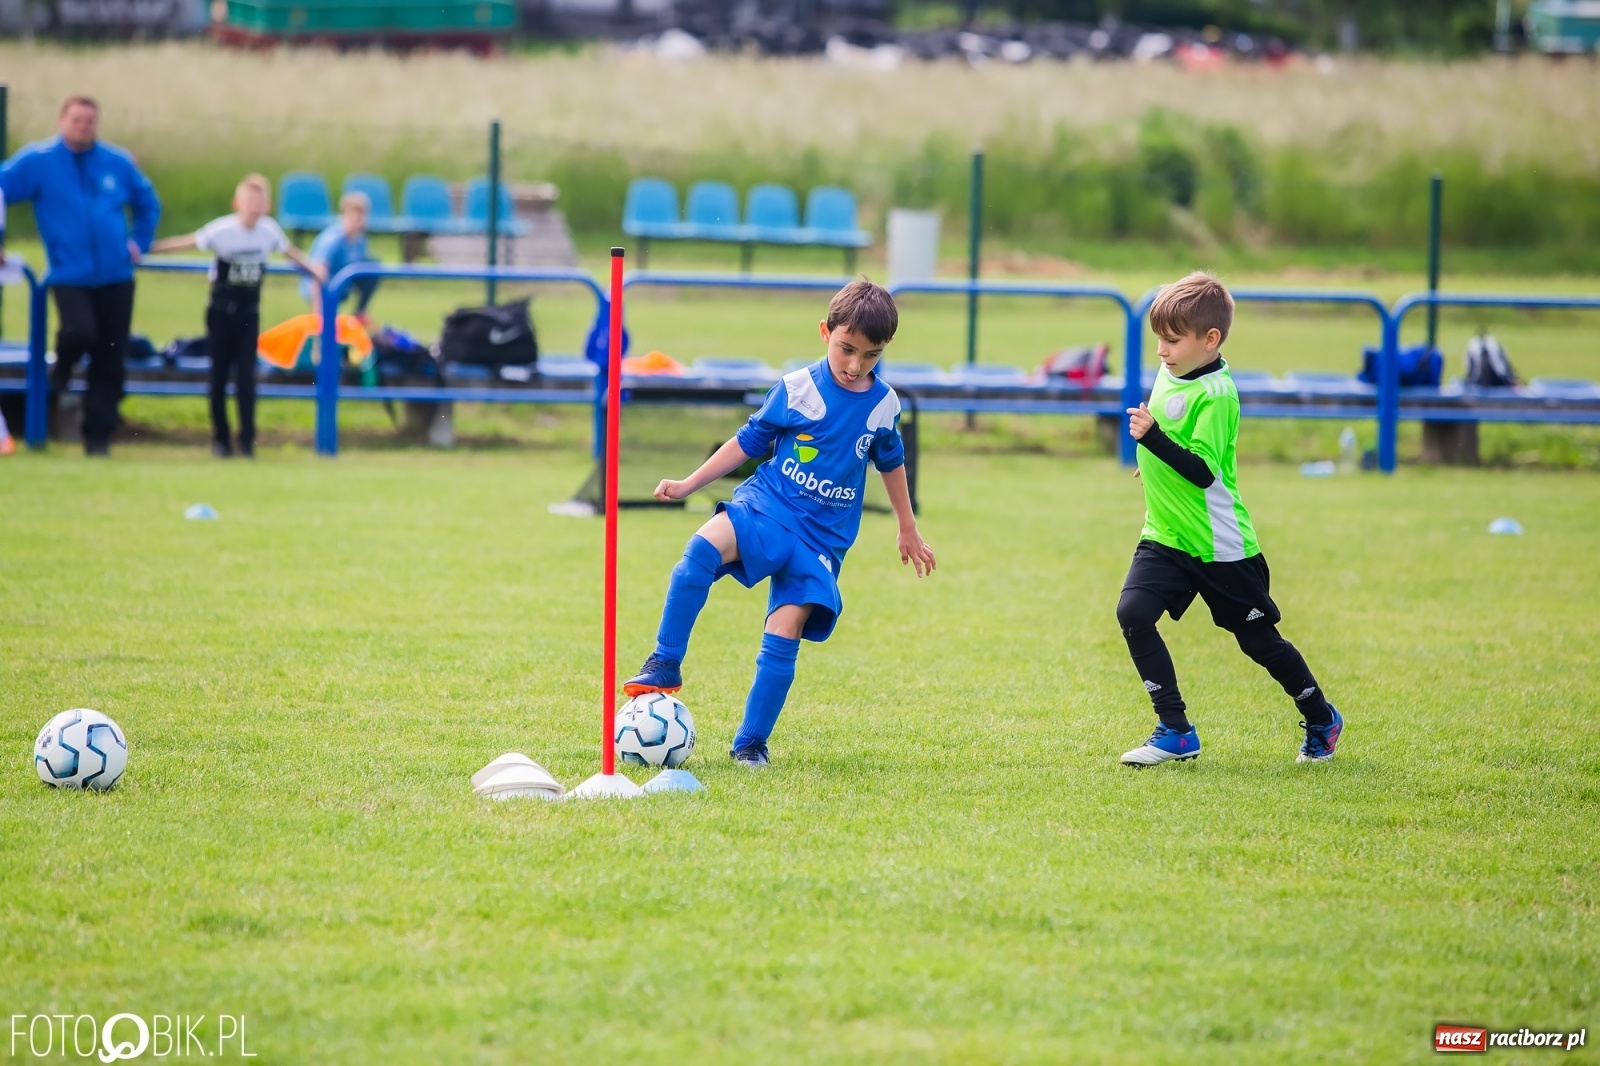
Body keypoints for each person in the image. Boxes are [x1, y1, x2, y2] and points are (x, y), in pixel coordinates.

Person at [624, 279, 937, 767]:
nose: (855, 366)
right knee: (697, 556)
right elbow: (747, 442)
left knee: (784, 632)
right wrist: (689, 484)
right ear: (825, 332)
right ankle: (664, 662)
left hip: (822, 540)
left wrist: (907, 528)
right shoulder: (796, 388)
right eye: (846, 349)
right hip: (767, 506)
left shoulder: (884, 405)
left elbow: (890, 462)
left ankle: (750, 744)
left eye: (870, 356)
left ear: (886, 349)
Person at [1118, 272, 1344, 766]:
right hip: (1166, 535)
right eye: (1159, 337)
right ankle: (1175, 730)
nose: (1161, 349)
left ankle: (1322, 717)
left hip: (1221, 546)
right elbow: (1174, 445)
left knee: (1258, 642)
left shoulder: (1219, 395)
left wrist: (1153, 440)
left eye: (1172, 340)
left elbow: (1201, 471)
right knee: (1133, 615)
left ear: (1210, 340)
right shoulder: (1173, 371)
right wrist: (1152, 463)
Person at [0, 96, 160, 456]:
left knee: (110, 356)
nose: (83, 126)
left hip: (116, 274)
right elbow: (2, 189)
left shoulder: (115, 162)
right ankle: (62, 369)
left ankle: (97, 438)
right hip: (69, 272)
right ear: (61, 120)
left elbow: (147, 203)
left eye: (90, 120)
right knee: (78, 331)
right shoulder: (38, 161)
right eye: (76, 119)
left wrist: (139, 242)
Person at [151, 175, 323, 458]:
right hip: (220, 314)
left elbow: (291, 253)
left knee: (246, 378)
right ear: (237, 204)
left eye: (259, 202)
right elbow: (188, 242)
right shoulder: (223, 230)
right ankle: (220, 439)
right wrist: (150, 248)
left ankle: (246, 440)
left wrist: (315, 270)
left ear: (267, 206)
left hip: (249, 315)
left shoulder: (269, 231)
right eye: (248, 202)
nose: (253, 208)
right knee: (218, 377)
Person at [303, 192, 379, 316]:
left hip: (342, 283)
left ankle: (360, 314)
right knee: (327, 325)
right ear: (344, 215)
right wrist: (317, 309)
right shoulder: (333, 240)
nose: (359, 218)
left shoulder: (360, 240)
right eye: (355, 213)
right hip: (322, 284)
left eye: (362, 213)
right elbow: (317, 271)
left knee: (373, 266)